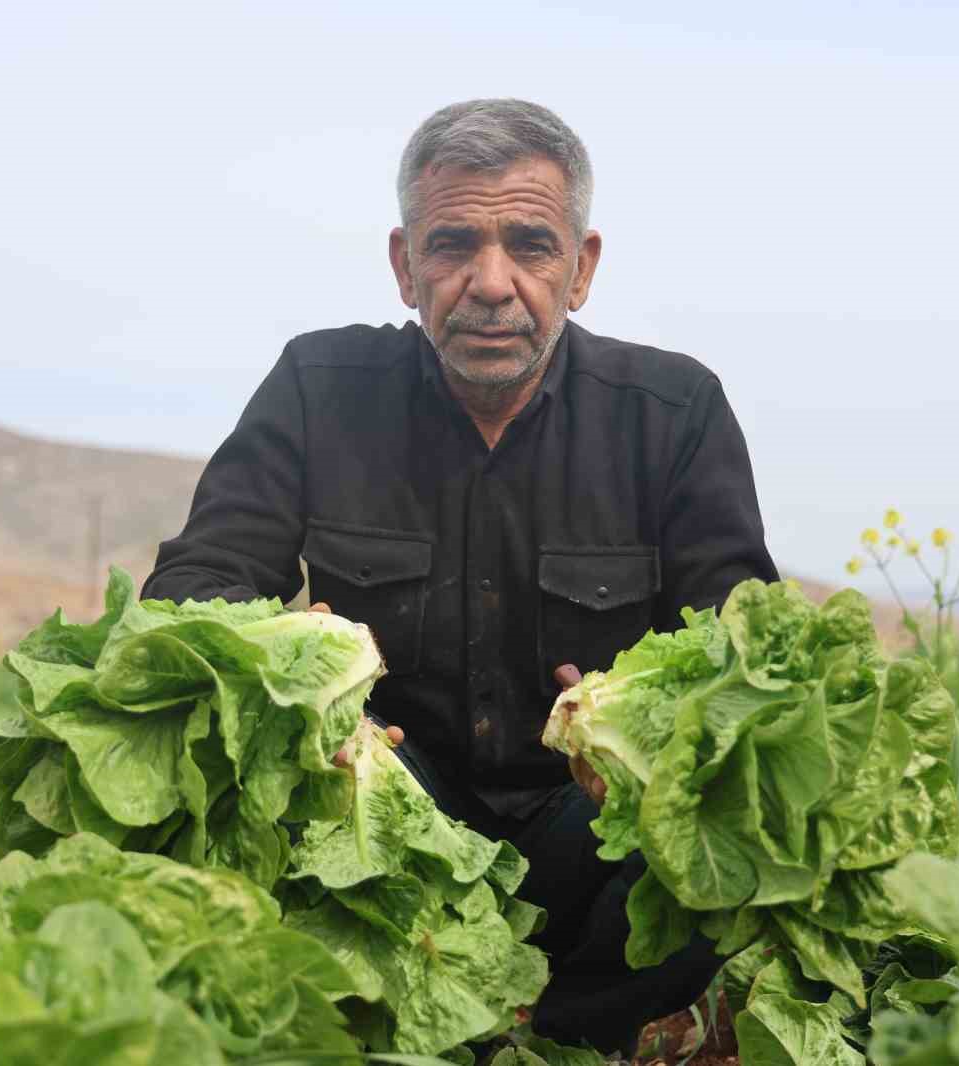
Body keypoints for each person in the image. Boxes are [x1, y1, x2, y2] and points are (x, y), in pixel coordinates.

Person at [142, 98, 779, 1054]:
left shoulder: (673, 411)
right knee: (235, 803)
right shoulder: (318, 388)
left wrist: (648, 740)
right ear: (405, 266)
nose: (492, 284)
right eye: (452, 246)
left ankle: (552, 1039)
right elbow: (198, 583)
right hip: (384, 832)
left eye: (531, 244)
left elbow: (746, 645)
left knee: (716, 852)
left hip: (591, 844)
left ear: (583, 267)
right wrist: (306, 689)